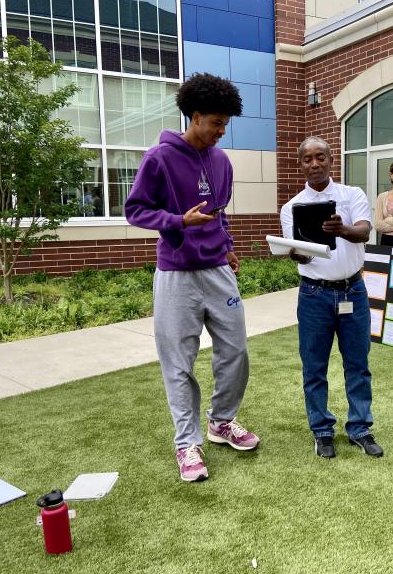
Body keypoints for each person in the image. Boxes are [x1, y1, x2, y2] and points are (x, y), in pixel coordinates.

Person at [125, 73, 259, 483]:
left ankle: (221, 421)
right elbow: (136, 210)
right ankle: (187, 443)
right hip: (176, 275)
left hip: (217, 268)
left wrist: (228, 243)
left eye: (225, 124)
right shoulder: (159, 158)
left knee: (235, 352)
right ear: (194, 115)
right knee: (178, 363)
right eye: (216, 123)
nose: (221, 131)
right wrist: (177, 220)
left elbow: (220, 212)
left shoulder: (221, 162)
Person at [280, 136, 383, 459]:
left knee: (358, 363)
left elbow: (364, 231)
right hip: (314, 295)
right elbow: (302, 256)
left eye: (320, 157)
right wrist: (298, 255)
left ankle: (360, 428)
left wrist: (342, 230)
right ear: (301, 164)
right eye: (307, 159)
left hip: (353, 289)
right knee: (314, 366)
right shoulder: (291, 207)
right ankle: (322, 430)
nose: (314, 164)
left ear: (330, 159)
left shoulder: (352, 195)